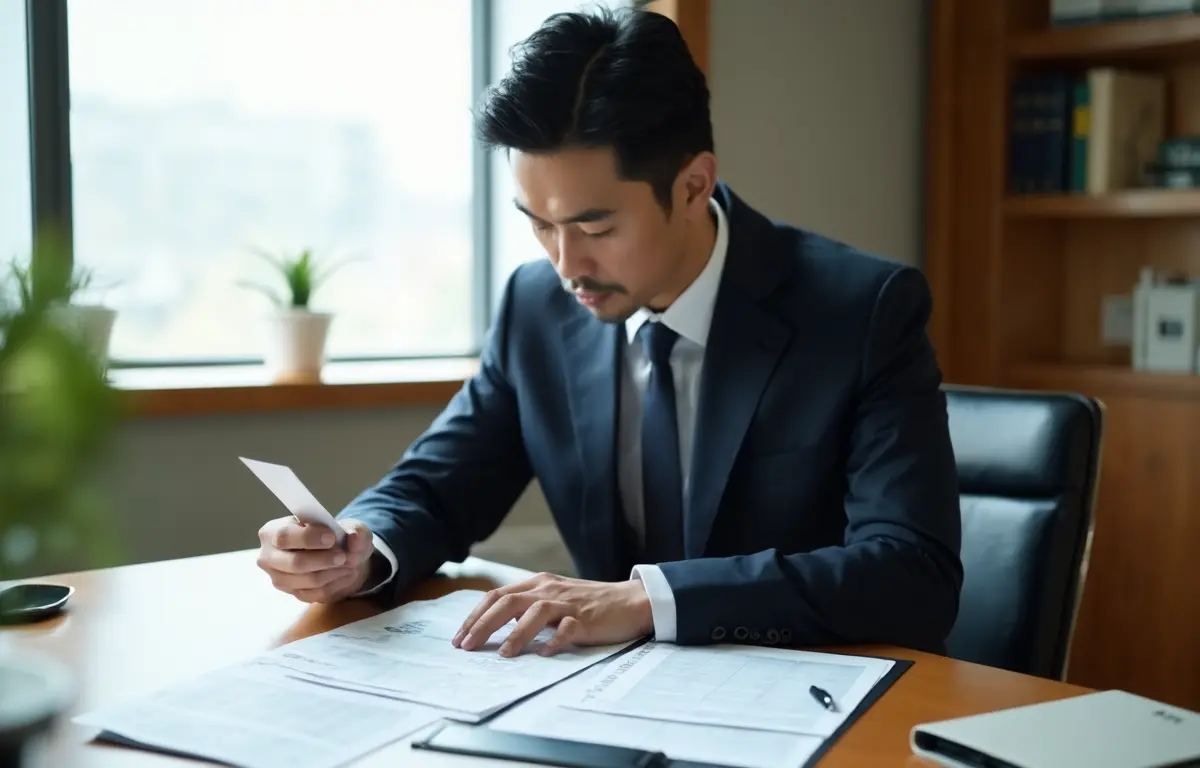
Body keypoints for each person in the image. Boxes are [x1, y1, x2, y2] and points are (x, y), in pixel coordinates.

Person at [255, 5, 963, 659]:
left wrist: (648, 600)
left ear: (692, 186)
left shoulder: (861, 310)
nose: (566, 265)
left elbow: (912, 573)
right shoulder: (537, 305)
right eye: (538, 224)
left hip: (808, 697)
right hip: (606, 698)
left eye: (595, 227)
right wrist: (358, 549)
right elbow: (436, 487)